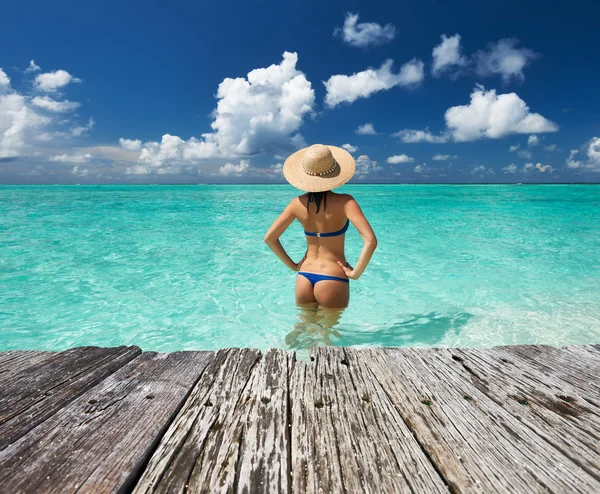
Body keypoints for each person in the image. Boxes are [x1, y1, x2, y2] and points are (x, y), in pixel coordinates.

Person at [264, 144, 377, 309]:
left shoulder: (296, 203)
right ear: (333, 173)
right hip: (332, 277)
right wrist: (355, 273)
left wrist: (294, 266)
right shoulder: (346, 202)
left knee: (302, 329)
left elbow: (270, 238)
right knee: (329, 333)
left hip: (304, 276)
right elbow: (371, 241)